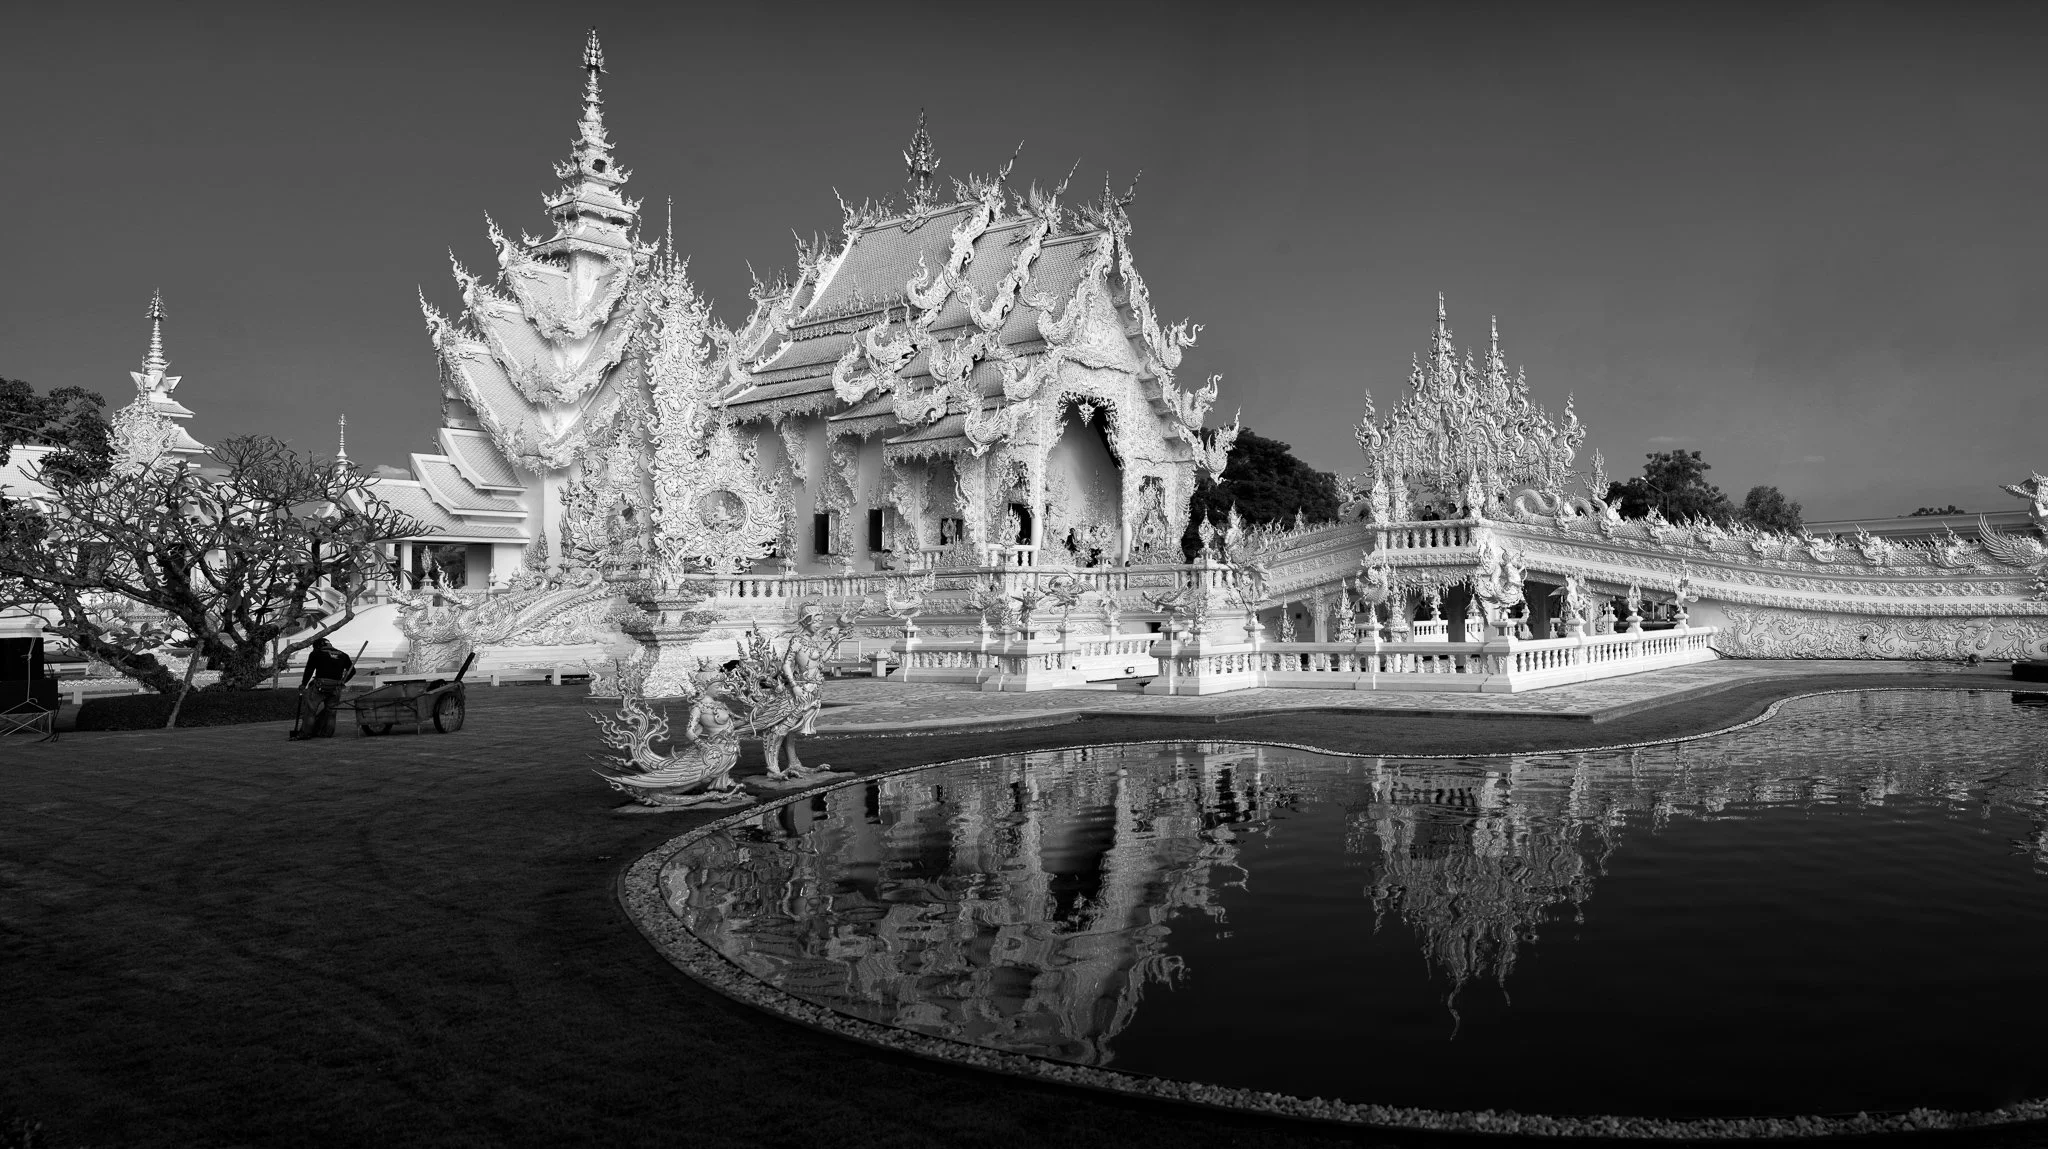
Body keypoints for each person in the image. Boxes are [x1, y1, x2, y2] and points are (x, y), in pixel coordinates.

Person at [291, 637, 354, 740]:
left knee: (311, 711)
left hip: (320, 685)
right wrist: (343, 681)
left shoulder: (316, 654)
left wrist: (303, 684)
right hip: (336, 687)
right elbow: (352, 671)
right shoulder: (343, 655)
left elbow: (309, 670)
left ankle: (305, 733)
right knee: (331, 712)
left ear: (318, 646)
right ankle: (327, 733)